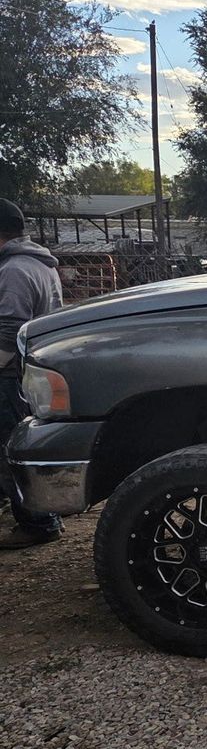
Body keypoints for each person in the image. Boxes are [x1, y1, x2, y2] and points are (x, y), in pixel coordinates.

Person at [0, 198, 64, 548]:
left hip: (9, 374)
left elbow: (10, 328)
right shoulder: (43, 265)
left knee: (10, 452)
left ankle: (39, 522)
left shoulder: (13, 270)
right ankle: (43, 512)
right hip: (29, 370)